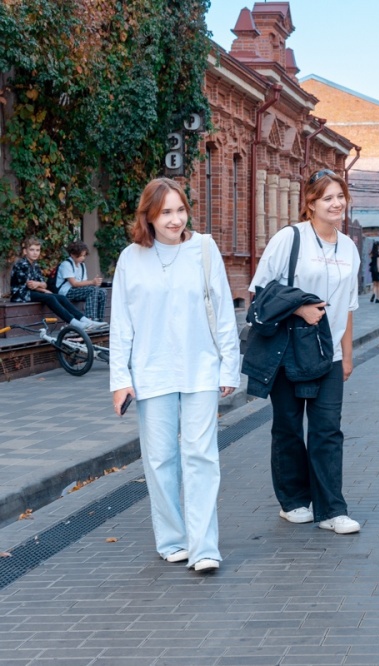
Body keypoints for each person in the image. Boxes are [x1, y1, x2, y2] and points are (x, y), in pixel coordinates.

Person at [109, 177, 240, 573]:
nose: (174, 219)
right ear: (148, 215)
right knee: (161, 459)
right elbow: (121, 324)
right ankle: (172, 540)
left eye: (180, 210)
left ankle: (204, 548)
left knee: (201, 457)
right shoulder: (131, 258)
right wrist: (120, 379)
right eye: (165, 212)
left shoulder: (204, 249)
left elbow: (223, 310)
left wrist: (229, 364)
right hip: (151, 373)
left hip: (200, 368)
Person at [249, 168, 361, 535]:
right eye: (327, 198)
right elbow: (262, 292)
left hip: (327, 355)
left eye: (340, 196)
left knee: (328, 430)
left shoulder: (348, 247)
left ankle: (332, 510)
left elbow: (347, 305)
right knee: (288, 428)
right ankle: (294, 501)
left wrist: (347, 354)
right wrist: (299, 309)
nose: (336, 204)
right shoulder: (290, 239)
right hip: (289, 351)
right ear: (310, 204)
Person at [9, 237, 102, 331]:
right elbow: (30, 286)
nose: (35, 252)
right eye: (32, 250)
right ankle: (74, 322)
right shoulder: (21, 264)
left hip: (32, 292)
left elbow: (43, 284)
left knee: (61, 297)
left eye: (38, 250)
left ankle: (85, 320)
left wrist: (40, 285)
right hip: (21, 295)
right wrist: (43, 289)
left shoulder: (35, 265)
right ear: (25, 251)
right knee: (50, 297)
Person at [56, 241, 107, 323]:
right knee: (92, 290)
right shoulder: (66, 264)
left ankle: (99, 320)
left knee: (102, 292)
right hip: (66, 292)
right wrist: (92, 282)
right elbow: (74, 283)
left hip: (77, 290)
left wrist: (94, 283)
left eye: (84, 255)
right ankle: (90, 319)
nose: (83, 258)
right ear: (73, 254)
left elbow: (84, 283)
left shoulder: (82, 266)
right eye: (80, 255)